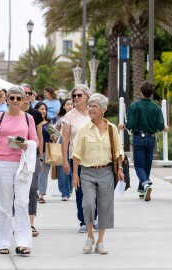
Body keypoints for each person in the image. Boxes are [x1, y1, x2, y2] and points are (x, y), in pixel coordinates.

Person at [0, 86, 39, 256]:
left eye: (18, 98)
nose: (15, 101)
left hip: (22, 165)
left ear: (24, 100)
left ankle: (23, 242)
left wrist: (27, 144)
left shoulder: (29, 118)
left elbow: (35, 140)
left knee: (22, 203)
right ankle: (4, 242)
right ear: (7, 99)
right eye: (12, 98)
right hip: (2, 164)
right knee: (4, 206)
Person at [72, 93, 124, 254]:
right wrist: (75, 174)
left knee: (104, 206)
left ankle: (100, 241)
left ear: (103, 110)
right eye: (90, 106)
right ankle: (89, 236)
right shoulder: (83, 130)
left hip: (106, 172)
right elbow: (76, 153)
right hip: (87, 172)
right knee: (88, 204)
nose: (91, 108)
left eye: (94, 106)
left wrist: (120, 168)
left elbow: (118, 151)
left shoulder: (111, 128)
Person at [119, 81, 167, 201]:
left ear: (141, 92)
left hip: (138, 137)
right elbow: (161, 125)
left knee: (139, 165)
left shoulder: (134, 106)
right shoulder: (156, 107)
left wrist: (123, 126)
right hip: (151, 138)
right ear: (152, 93)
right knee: (147, 165)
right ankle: (142, 190)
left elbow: (129, 124)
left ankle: (145, 183)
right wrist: (162, 128)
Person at [62, 84, 94, 233]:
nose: (76, 98)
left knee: (96, 190)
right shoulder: (69, 116)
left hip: (95, 158)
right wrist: (64, 160)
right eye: (74, 95)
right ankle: (83, 221)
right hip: (77, 159)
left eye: (79, 95)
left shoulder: (94, 112)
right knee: (80, 191)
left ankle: (93, 218)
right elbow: (65, 140)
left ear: (87, 96)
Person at [20, 83, 44, 237]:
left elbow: (40, 136)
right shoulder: (11, 113)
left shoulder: (35, 114)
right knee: (16, 190)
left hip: (32, 155)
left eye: (29, 93)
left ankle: (30, 223)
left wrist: (40, 157)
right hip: (15, 156)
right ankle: (18, 221)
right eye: (24, 93)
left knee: (33, 188)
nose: (27, 96)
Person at [55, 98, 73, 200]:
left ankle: (70, 187)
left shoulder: (77, 116)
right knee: (62, 167)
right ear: (64, 106)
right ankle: (64, 193)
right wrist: (53, 137)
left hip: (74, 142)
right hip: (63, 142)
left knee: (72, 166)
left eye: (71, 104)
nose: (70, 106)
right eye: (68, 104)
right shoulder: (60, 118)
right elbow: (55, 132)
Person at [34, 102, 52, 203]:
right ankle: (35, 192)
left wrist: (53, 136)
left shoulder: (49, 123)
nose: (44, 111)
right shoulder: (33, 121)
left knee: (44, 174)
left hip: (46, 151)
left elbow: (53, 137)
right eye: (41, 109)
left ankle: (41, 195)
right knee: (36, 173)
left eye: (45, 109)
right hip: (35, 151)